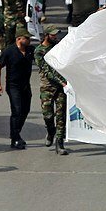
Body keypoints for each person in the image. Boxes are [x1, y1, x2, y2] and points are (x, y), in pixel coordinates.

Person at [0, 26, 35, 149]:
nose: (29, 41)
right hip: (13, 86)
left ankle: (16, 133)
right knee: (16, 111)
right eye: (26, 38)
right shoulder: (9, 51)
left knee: (25, 110)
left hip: (26, 86)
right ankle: (15, 138)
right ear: (19, 39)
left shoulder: (30, 50)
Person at [35, 27, 69, 155]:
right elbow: (46, 71)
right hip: (47, 86)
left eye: (56, 35)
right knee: (47, 114)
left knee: (61, 115)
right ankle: (50, 131)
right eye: (53, 35)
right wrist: (61, 82)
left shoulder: (59, 47)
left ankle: (59, 143)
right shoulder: (39, 51)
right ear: (46, 36)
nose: (56, 37)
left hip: (61, 88)